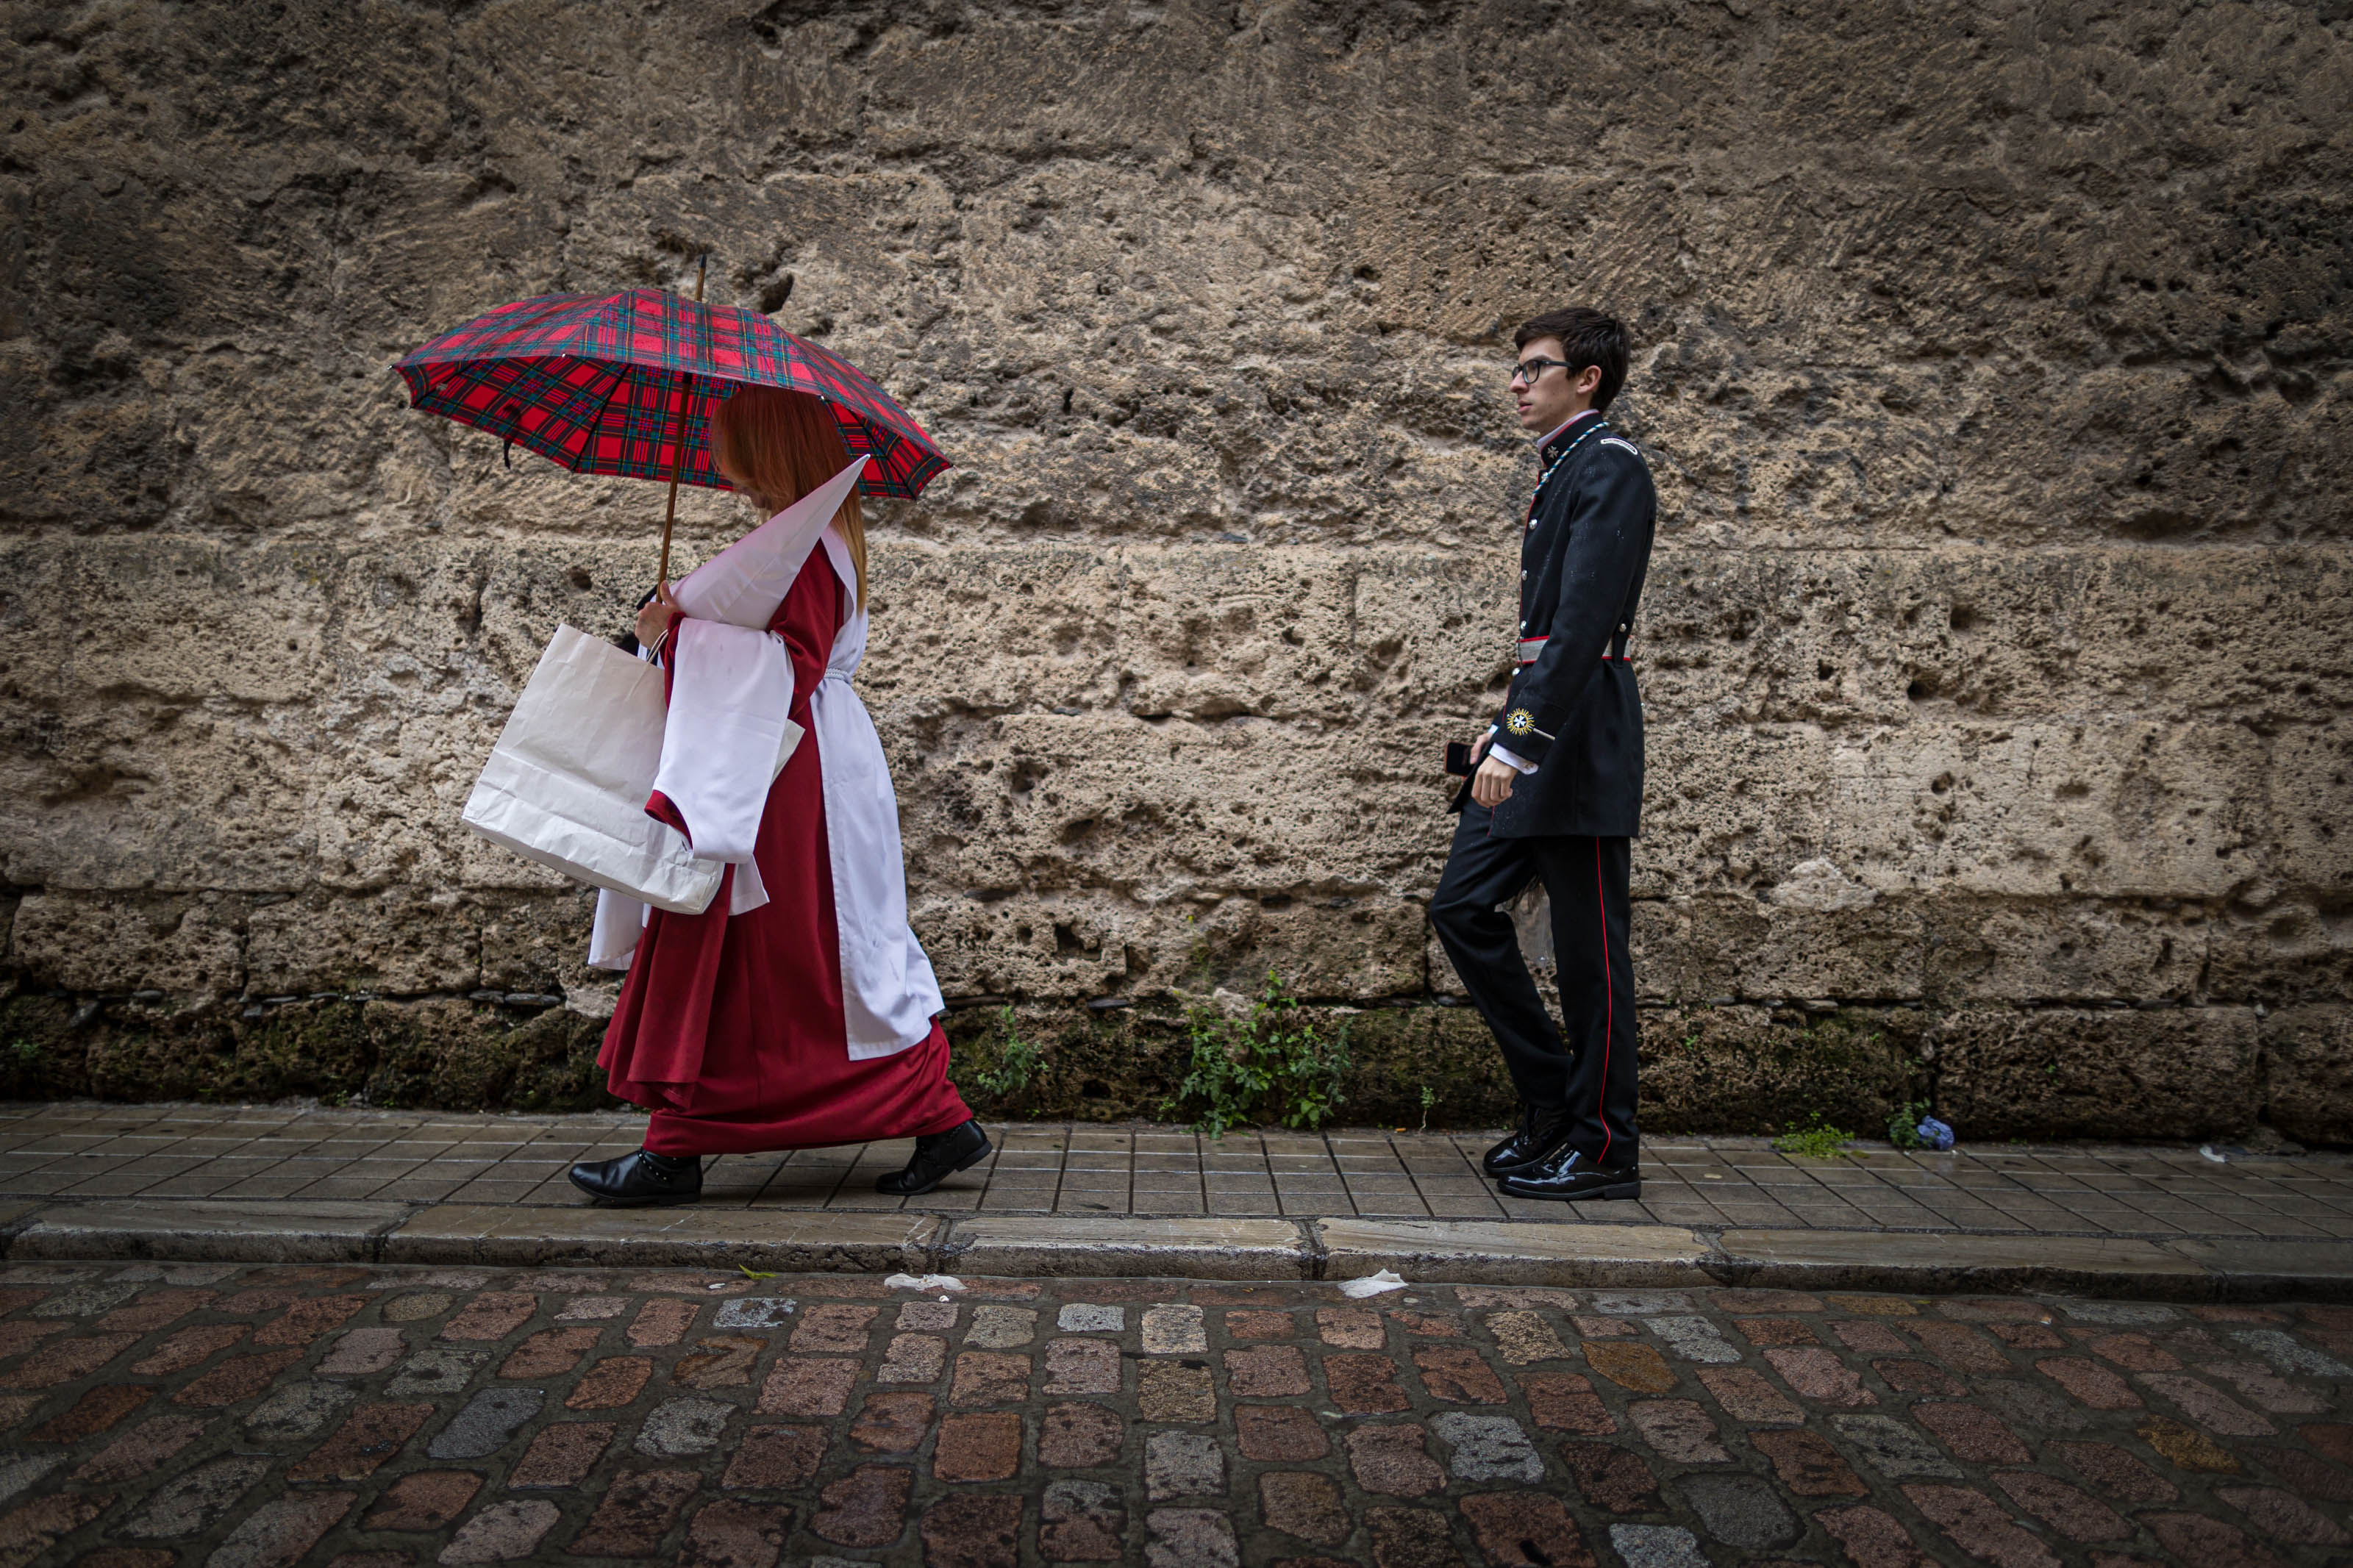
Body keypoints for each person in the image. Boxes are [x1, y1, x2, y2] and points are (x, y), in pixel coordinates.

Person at [568, 386, 989, 1206]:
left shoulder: (806, 547)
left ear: (772, 450)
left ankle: (679, 1149)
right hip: (782, 761)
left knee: (763, 948)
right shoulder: (809, 539)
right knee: (790, 953)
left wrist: (675, 633)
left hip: (786, 771)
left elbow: (787, 667)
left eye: (739, 455)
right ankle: (931, 1118)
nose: (728, 476)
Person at [1430, 307, 1655, 1203]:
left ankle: (1604, 1148)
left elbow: (1582, 627)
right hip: (1542, 725)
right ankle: (1554, 1107)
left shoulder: (1609, 467)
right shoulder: (1563, 466)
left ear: (1586, 378)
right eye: (1517, 369)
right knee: (1461, 908)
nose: (1516, 383)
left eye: (1534, 368)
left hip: (1577, 739)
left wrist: (1518, 745)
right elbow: (1543, 640)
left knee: (1590, 951)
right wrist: (1506, 725)